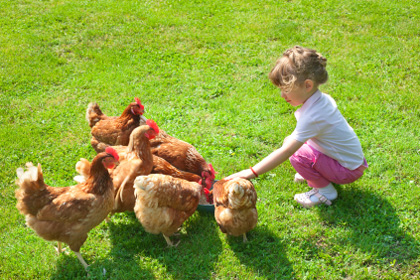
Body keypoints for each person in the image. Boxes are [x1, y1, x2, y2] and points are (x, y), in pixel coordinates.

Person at [225, 46, 367, 208]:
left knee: (297, 154)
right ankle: (316, 173)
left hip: (346, 171)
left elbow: (286, 151)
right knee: (291, 142)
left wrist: (250, 172)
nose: (282, 95)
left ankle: (325, 191)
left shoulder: (313, 116)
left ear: (307, 85)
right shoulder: (321, 100)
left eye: (286, 89)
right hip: (352, 162)